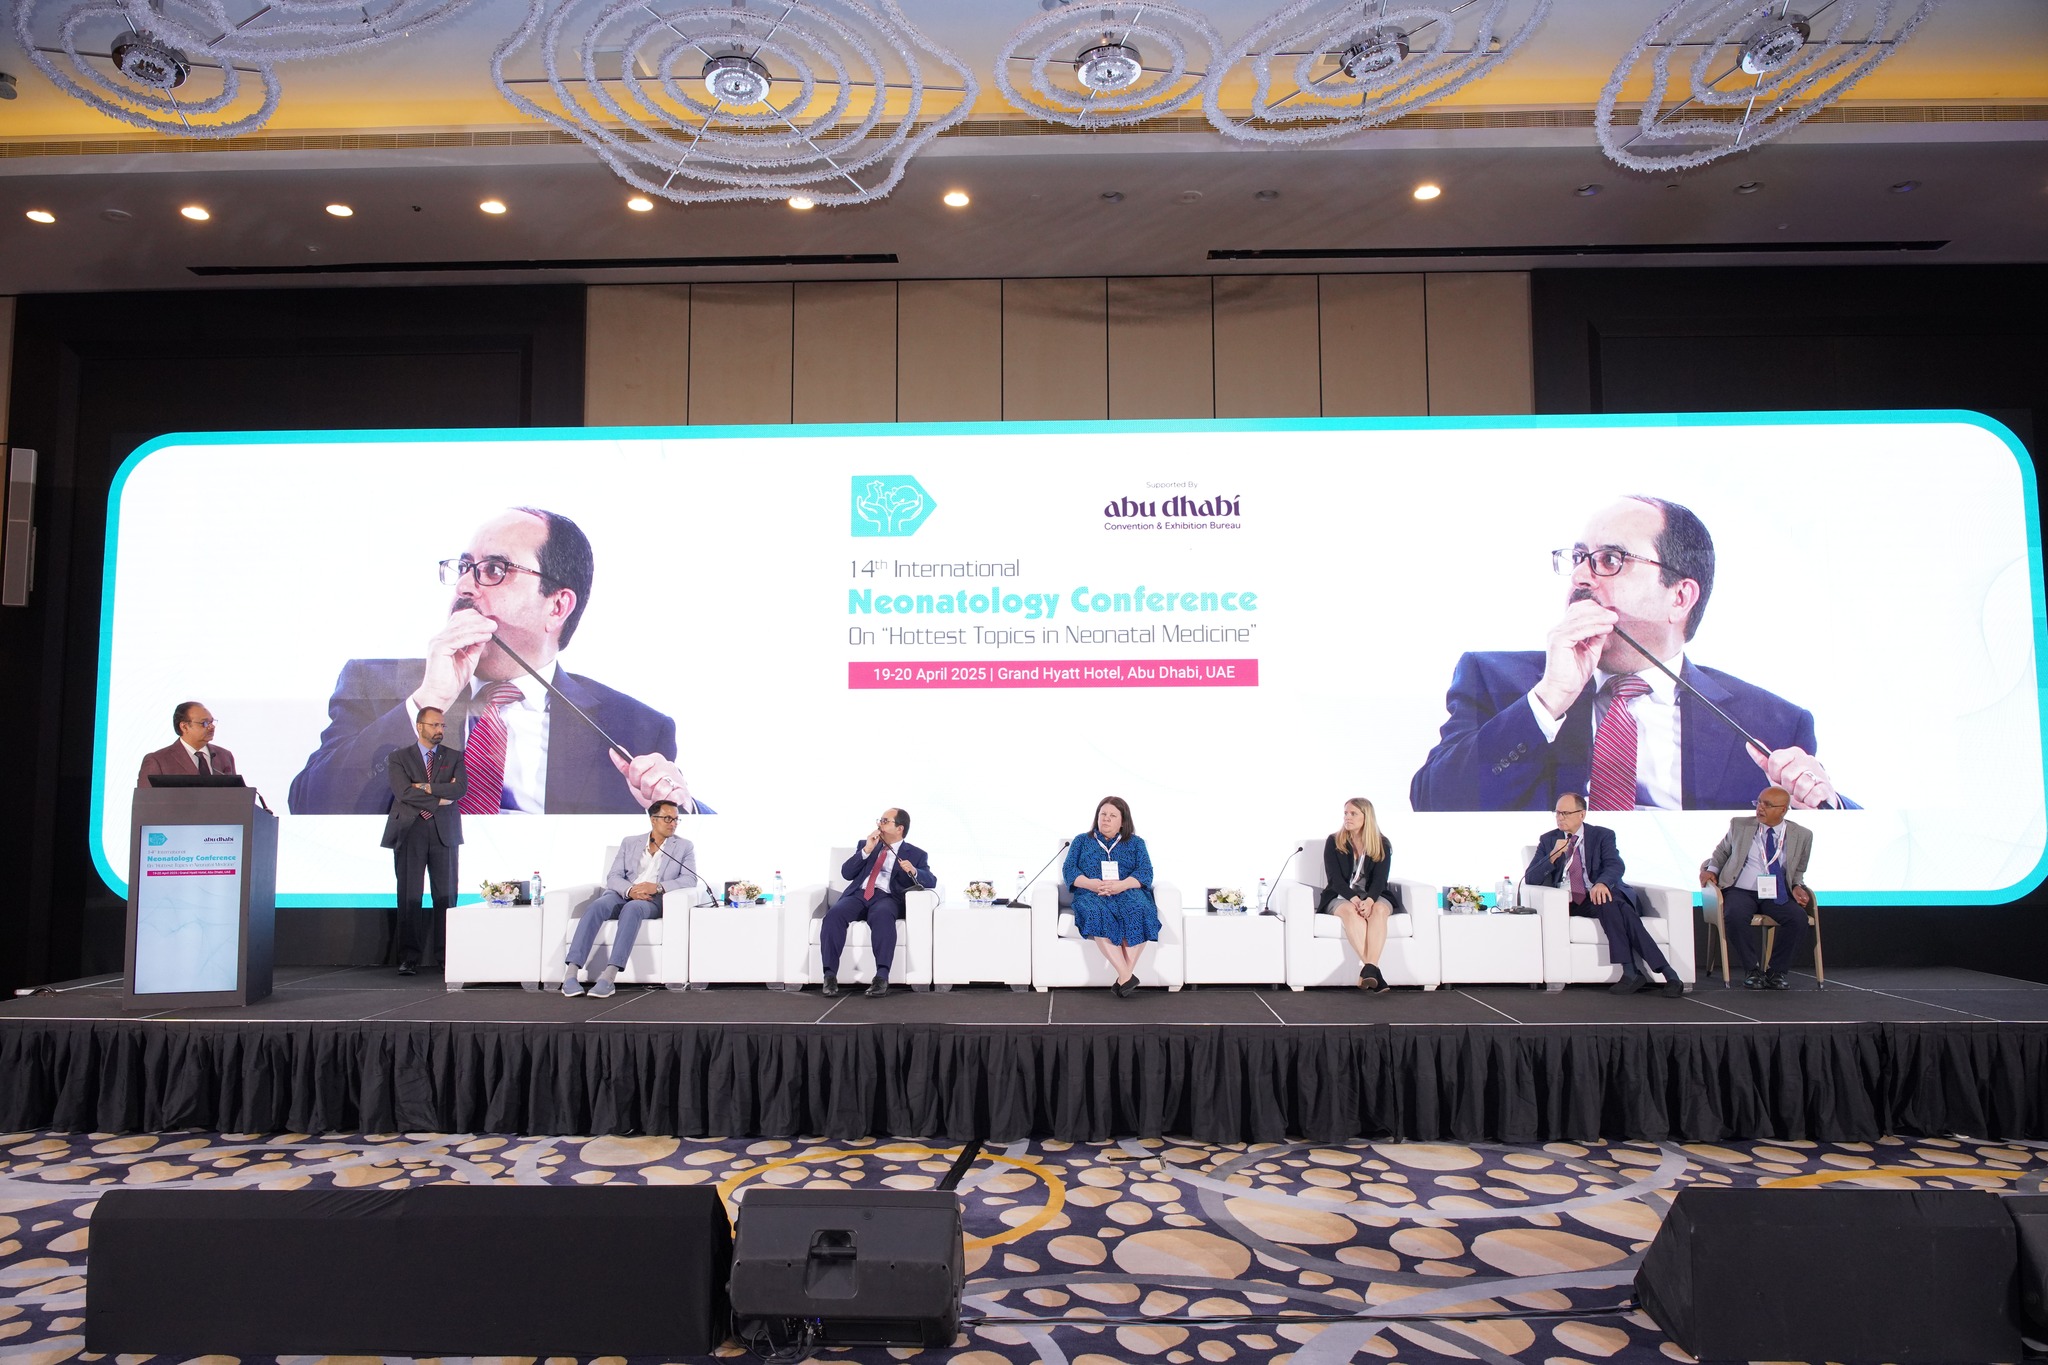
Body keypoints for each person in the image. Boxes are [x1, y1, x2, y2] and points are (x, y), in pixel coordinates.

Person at [1410, 496, 1847, 813]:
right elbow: (1434, 805)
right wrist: (1548, 700)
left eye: (1610, 560)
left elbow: (1829, 853)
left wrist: (1827, 807)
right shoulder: (1496, 681)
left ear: (1679, 597)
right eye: (1579, 558)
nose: (1580, 577)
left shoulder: (1770, 724)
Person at [289, 507, 705, 816]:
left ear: (557, 606)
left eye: (494, 569)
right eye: (464, 567)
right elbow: (310, 806)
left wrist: (681, 808)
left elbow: (689, 850)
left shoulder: (632, 727)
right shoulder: (376, 685)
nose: (465, 585)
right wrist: (427, 702)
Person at [1526, 794, 1683, 996]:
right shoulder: (1548, 840)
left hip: (1597, 894)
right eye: (1557, 813)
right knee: (1618, 907)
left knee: (1611, 903)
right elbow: (1530, 877)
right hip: (1570, 901)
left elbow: (1615, 865)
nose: (1560, 818)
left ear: (1582, 814)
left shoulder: (1602, 835)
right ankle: (1668, 973)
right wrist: (1553, 855)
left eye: (1565, 813)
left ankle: (1632, 972)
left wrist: (1601, 883)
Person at [562, 799, 696, 999]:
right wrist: (630, 890)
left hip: (651, 900)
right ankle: (570, 975)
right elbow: (613, 876)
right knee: (597, 906)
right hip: (622, 894)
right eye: (668, 818)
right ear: (653, 819)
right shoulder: (630, 842)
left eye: (676, 819)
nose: (673, 823)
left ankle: (608, 977)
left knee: (632, 909)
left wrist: (657, 887)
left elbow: (689, 879)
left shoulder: (684, 846)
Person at [1700, 785, 1815, 990]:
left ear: (1783, 810)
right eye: (1759, 802)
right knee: (1734, 914)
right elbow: (1721, 852)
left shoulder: (1802, 835)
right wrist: (1711, 870)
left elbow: (1799, 869)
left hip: (1776, 892)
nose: (1760, 808)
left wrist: (1797, 885)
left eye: (1767, 805)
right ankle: (1752, 970)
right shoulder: (1740, 825)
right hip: (1740, 890)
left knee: (1798, 919)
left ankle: (1776, 972)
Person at [382, 706, 467, 976]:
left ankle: (447, 956)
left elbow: (459, 789)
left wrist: (425, 787)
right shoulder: (399, 757)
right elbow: (403, 792)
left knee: (446, 896)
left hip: (444, 832)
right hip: (411, 830)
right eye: (434, 725)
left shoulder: (453, 756)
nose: (440, 730)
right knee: (410, 895)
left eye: (442, 725)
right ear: (420, 726)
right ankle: (409, 957)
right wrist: (438, 798)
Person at [820, 808, 936, 999]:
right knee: (834, 915)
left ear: (899, 828)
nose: (879, 824)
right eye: (880, 820)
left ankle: (881, 977)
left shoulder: (916, 854)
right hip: (857, 895)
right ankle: (829, 976)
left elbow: (931, 880)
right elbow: (846, 873)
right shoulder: (866, 845)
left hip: (887, 897)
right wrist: (867, 850)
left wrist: (914, 871)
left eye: (885, 821)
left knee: (882, 916)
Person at [1062, 795, 1159, 997]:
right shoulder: (1081, 841)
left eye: (1112, 815)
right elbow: (1069, 869)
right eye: (1103, 814)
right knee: (1095, 911)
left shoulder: (1136, 843)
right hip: (1091, 892)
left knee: (1140, 908)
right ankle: (1126, 975)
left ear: (1123, 821)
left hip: (1127, 891)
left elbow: (1145, 872)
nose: (1106, 818)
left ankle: (1124, 978)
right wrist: (1091, 884)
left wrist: (1121, 885)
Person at [1318, 797, 1406, 992]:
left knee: (1380, 910)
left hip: (1373, 894)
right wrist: (1356, 899)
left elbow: (1380, 880)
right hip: (1341, 895)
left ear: (1366, 817)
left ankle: (1369, 970)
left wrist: (1370, 900)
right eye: (1345, 813)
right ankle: (1373, 969)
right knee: (1350, 911)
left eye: (1353, 814)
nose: (1347, 817)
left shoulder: (1381, 843)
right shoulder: (1334, 841)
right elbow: (1335, 880)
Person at [136, 701, 237, 785]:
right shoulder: (158, 761)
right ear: (184, 727)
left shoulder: (225, 756)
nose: (212, 727)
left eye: (212, 722)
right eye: (205, 723)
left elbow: (236, 796)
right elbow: (146, 801)